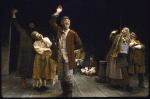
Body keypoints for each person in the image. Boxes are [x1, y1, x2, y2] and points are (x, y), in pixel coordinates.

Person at [49, 5, 82, 97]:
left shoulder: (73, 33)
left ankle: (69, 93)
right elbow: (51, 22)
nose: (67, 22)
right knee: (60, 77)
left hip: (68, 58)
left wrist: (71, 49)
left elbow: (79, 43)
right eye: (65, 21)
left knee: (68, 77)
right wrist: (57, 12)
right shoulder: (59, 30)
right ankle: (64, 92)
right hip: (59, 57)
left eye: (68, 21)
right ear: (62, 23)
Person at [12, 9, 36, 88]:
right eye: (30, 24)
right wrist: (13, 15)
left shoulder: (35, 34)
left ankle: (36, 83)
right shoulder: (23, 32)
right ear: (28, 25)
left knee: (33, 68)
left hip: (33, 53)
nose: (31, 25)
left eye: (33, 25)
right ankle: (23, 81)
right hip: (24, 54)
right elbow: (16, 24)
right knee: (24, 67)